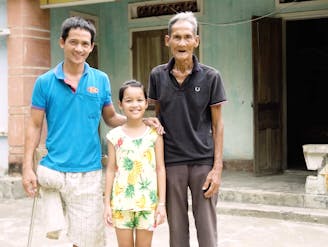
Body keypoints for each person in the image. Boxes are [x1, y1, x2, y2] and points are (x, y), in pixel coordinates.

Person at [22, 16, 162, 247]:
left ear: (91, 47)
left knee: (87, 240)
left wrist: (140, 121)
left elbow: (110, 118)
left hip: (89, 172)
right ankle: (52, 215)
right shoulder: (44, 82)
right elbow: (35, 125)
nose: (79, 48)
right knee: (53, 228)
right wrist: (27, 168)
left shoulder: (100, 79)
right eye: (73, 42)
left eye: (85, 44)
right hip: (53, 171)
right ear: (62, 43)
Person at [148, 12, 227, 247]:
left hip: (203, 161)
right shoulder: (157, 75)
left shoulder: (212, 77)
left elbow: (218, 124)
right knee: (177, 229)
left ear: (196, 41)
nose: (182, 43)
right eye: (177, 37)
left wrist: (217, 167)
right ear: (167, 40)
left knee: (206, 228)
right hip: (172, 162)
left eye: (187, 37)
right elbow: (157, 116)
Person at [104, 80, 166, 247]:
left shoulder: (154, 135)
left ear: (146, 103)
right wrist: (107, 205)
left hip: (147, 203)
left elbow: (160, 169)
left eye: (139, 100)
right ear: (120, 104)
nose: (135, 105)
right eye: (128, 100)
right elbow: (110, 170)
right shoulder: (114, 136)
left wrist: (161, 204)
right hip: (121, 203)